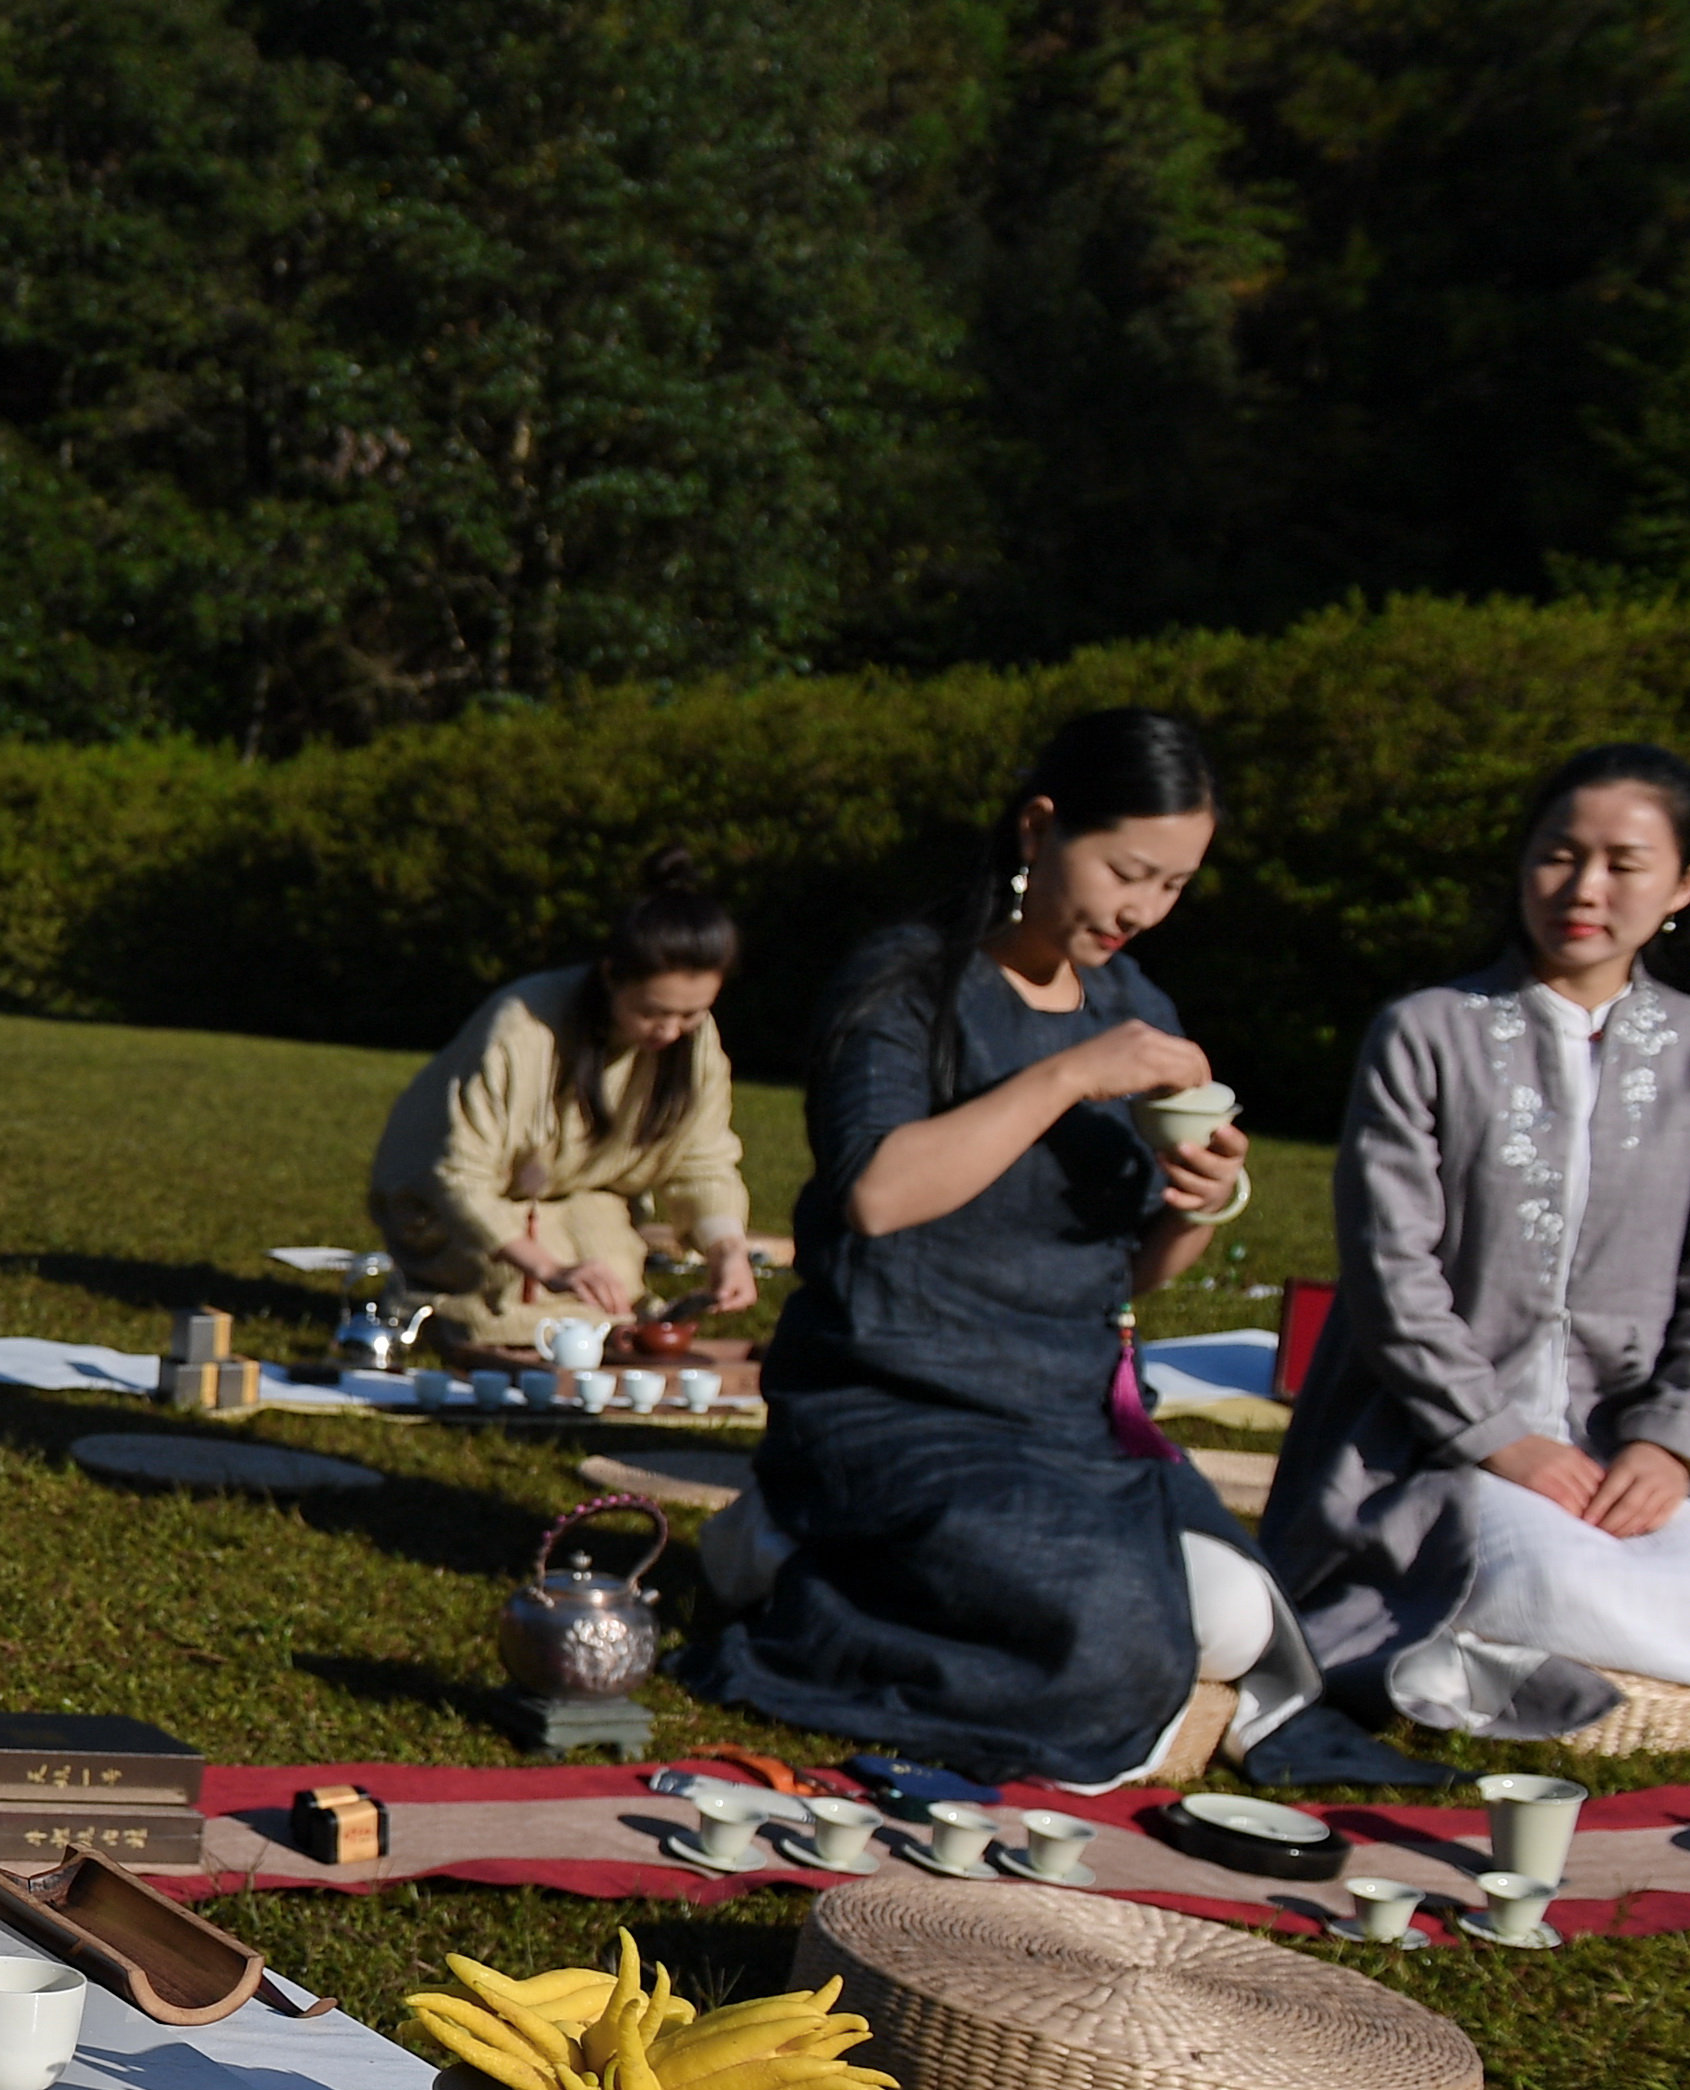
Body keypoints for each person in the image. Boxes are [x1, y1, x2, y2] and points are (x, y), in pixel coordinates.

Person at [704, 710, 1318, 1783]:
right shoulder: (910, 983)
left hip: (1066, 1411)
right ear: (1037, 828)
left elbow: (1122, 1274)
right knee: (1121, 1648)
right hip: (899, 1402)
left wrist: (1194, 1203)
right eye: (1126, 870)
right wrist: (1069, 1075)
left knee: (1236, 1620)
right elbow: (877, 1196)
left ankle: (864, 1571)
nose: (1141, 909)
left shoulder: (1131, 1002)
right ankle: (789, 1565)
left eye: (1171, 886)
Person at [1266, 744, 1690, 1733]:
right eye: (1556, 854)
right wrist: (1496, 1439)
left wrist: (1668, 1444)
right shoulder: (1424, 1032)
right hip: (1429, 1448)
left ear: (1678, 886)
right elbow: (1387, 1274)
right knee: (1532, 1565)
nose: (1581, 887)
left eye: (1621, 864)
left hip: (1617, 1454)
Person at [365, 852, 759, 1354]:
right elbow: (458, 1178)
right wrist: (549, 1269)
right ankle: (428, 1298)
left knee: (612, 1281)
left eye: (691, 1014)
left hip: (579, 1199)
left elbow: (702, 1161)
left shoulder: (692, 1040)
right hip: (447, 1204)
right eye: (653, 1012)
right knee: (517, 1295)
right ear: (612, 975)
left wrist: (727, 1251)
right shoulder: (523, 1025)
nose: (669, 1030)